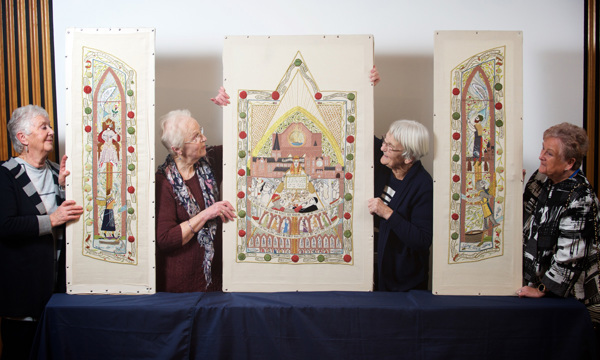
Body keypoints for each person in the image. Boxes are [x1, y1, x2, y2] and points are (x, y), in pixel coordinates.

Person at [0, 105, 83, 359]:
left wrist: (65, 188)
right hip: (22, 296)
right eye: (43, 126)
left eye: (49, 126)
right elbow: (5, 226)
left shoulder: (58, 172)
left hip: (57, 292)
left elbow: (67, 222)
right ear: (23, 138)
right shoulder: (6, 175)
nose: (50, 132)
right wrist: (51, 219)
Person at [518, 123, 600, 325]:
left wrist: (541, 290)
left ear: (569, 163)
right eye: (542, 149)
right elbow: (525, 214)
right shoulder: (541, 178)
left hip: (567, 301)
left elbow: (569, 258)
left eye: (549, 153)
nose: (540, 156)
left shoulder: (582, 198)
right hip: (535, 291)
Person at [155, 109, 235, 292]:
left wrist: (230, 102)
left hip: (216, 281)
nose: (204, 138)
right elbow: (165, 239)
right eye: (196, 136)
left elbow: (242, 141)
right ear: (177, 149)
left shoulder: (211, 160)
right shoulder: (163, 182)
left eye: (201, 132)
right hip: (180, 287)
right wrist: (207, 214)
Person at [368, 120, 433, 291]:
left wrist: (388, 213)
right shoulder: (385, 161)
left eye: (390, 146)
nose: (382, 148)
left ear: (408, 157)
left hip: (404, 282)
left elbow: (423, 240)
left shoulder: (423, 185)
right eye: (384, 141)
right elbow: (360, 134)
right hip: (379, 271)